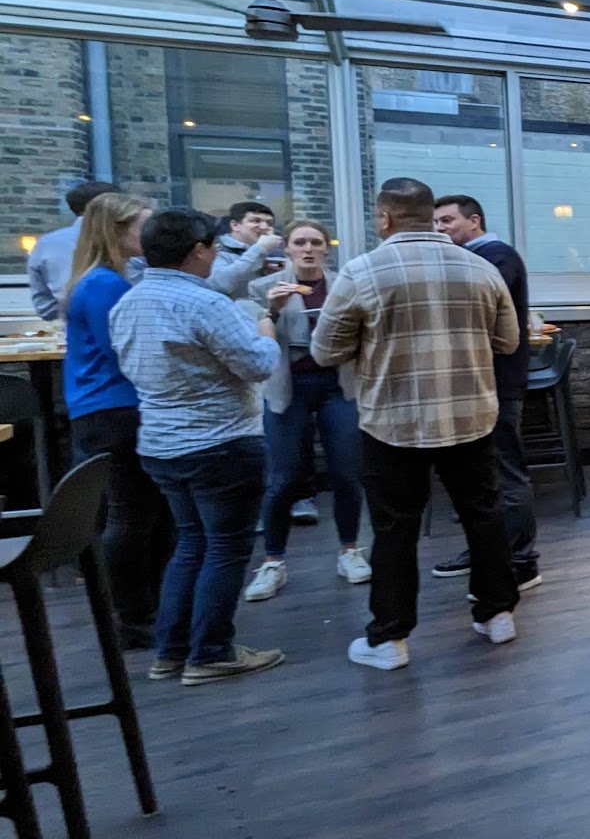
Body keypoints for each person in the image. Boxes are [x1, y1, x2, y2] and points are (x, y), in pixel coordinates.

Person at [313, 178, 521, 671]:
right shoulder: (480, 268)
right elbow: (509, 342)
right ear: (430, 216)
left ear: (385, 218)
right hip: (470, 417)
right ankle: (497, 615)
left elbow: (325, 351)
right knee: (484, 514)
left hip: (393, 422)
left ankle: (389, 639)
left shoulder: (362, 271)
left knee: (394, 530)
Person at [108, 207, 285, 686]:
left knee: (190, 545)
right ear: (199, 250)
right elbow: (257, 365)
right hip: (221, 442)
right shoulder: (207, 304)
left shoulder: (128, 302)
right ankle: (210, 652)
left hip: (160, 443)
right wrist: (267, 329)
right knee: (225, 549)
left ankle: (171, 651)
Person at [63, 191, 171, 650]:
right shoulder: (105, 285)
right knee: (132, 516)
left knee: (137, 514)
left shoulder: (96, 281)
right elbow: (125, 351)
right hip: (115, 409)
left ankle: (143, 612)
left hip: (102, 409)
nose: (150, 235)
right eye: (142, 227)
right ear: (116, 230)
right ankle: (135, 618)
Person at [242, 221, 369, 601]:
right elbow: (253, 341)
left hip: (337, 385)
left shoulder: (345, 285)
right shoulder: (263, 287)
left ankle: (350, 550)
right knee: (282, 478)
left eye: (316, 242)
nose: (308, 249)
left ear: (327, 248)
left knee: (347, 473)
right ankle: (273, 561)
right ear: (288, 248)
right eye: (300, 242)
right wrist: (273, 310)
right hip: (287, 387)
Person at [430, 194, 541, 591]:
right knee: (480, 475)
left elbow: (477, 310)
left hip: (497, 381)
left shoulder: (497, 257)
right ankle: (487, 551)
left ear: (474, 220)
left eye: (447, 221)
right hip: (475, 381)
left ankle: (522, 560)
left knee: (506, 471)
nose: (439, 229)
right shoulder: (471, 258)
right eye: (436, 222)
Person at [27, 179, 117, 321]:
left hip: (70, 326)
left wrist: (69, 311)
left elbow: (44, 307)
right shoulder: (127, 239)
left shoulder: (46, 243)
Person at [207, 200, 284, 301]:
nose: (264, 227)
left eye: (269, 223)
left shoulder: (271, 250)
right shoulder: (217, 249)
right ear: (235, 225)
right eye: (255, 221)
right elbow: (221, 285)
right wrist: (260, 249)